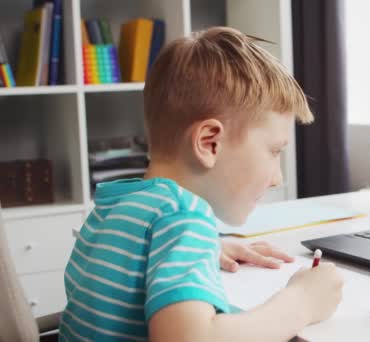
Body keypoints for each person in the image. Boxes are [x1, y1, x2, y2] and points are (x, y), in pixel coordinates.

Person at [59, 27, 343, 341]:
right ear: (210, 143)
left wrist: (205, 247)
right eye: (274, 151)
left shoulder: (116, 207)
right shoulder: (185, 218)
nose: (278, 178)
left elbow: (128, 271)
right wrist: (301, 303)